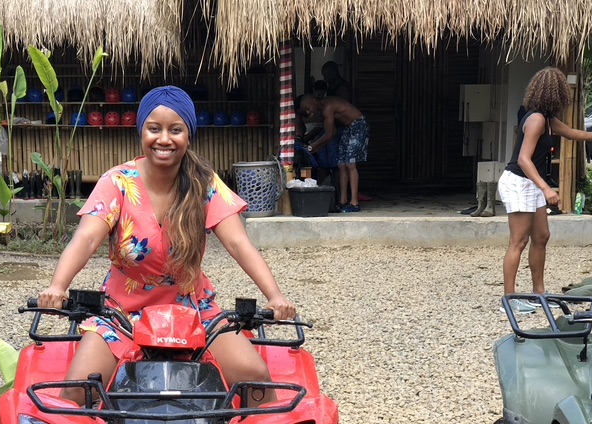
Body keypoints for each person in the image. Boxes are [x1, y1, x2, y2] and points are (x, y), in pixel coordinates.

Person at [38, 85, 296, 405]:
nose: (164, 139)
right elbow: (87, 237)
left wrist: (275, 296)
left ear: (189, 135)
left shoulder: (204, 183)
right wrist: (58, 286)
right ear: (141, 131)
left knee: (254, 375)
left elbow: (239, 243)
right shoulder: (117, 183)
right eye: (154, 128)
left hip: (192, 308)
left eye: (175, 130)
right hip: (121, 310)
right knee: (78, 388)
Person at [497, 67, 592, 313]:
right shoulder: (537, 119)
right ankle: (509, 300)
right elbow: (523, 160)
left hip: (531, 183)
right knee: (518, 241)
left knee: (541, 237)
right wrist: (546, 188)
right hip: (519, 181)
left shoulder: (549, 120)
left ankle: (539, 292)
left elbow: (571, 133)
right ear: (556, 94)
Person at [299, 93, 368, 213]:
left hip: (358, 125)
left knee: (350, 164)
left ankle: (354, 202)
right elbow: (332, 132)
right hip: (348, 128)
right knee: (341, 164)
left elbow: (329, 134)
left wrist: (311, 147)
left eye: (309, 109)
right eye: (307, 112)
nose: (310, 113)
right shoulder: (325, 111)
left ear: (314, 100)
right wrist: (314, 147)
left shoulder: (328, 107)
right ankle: (342, 202)